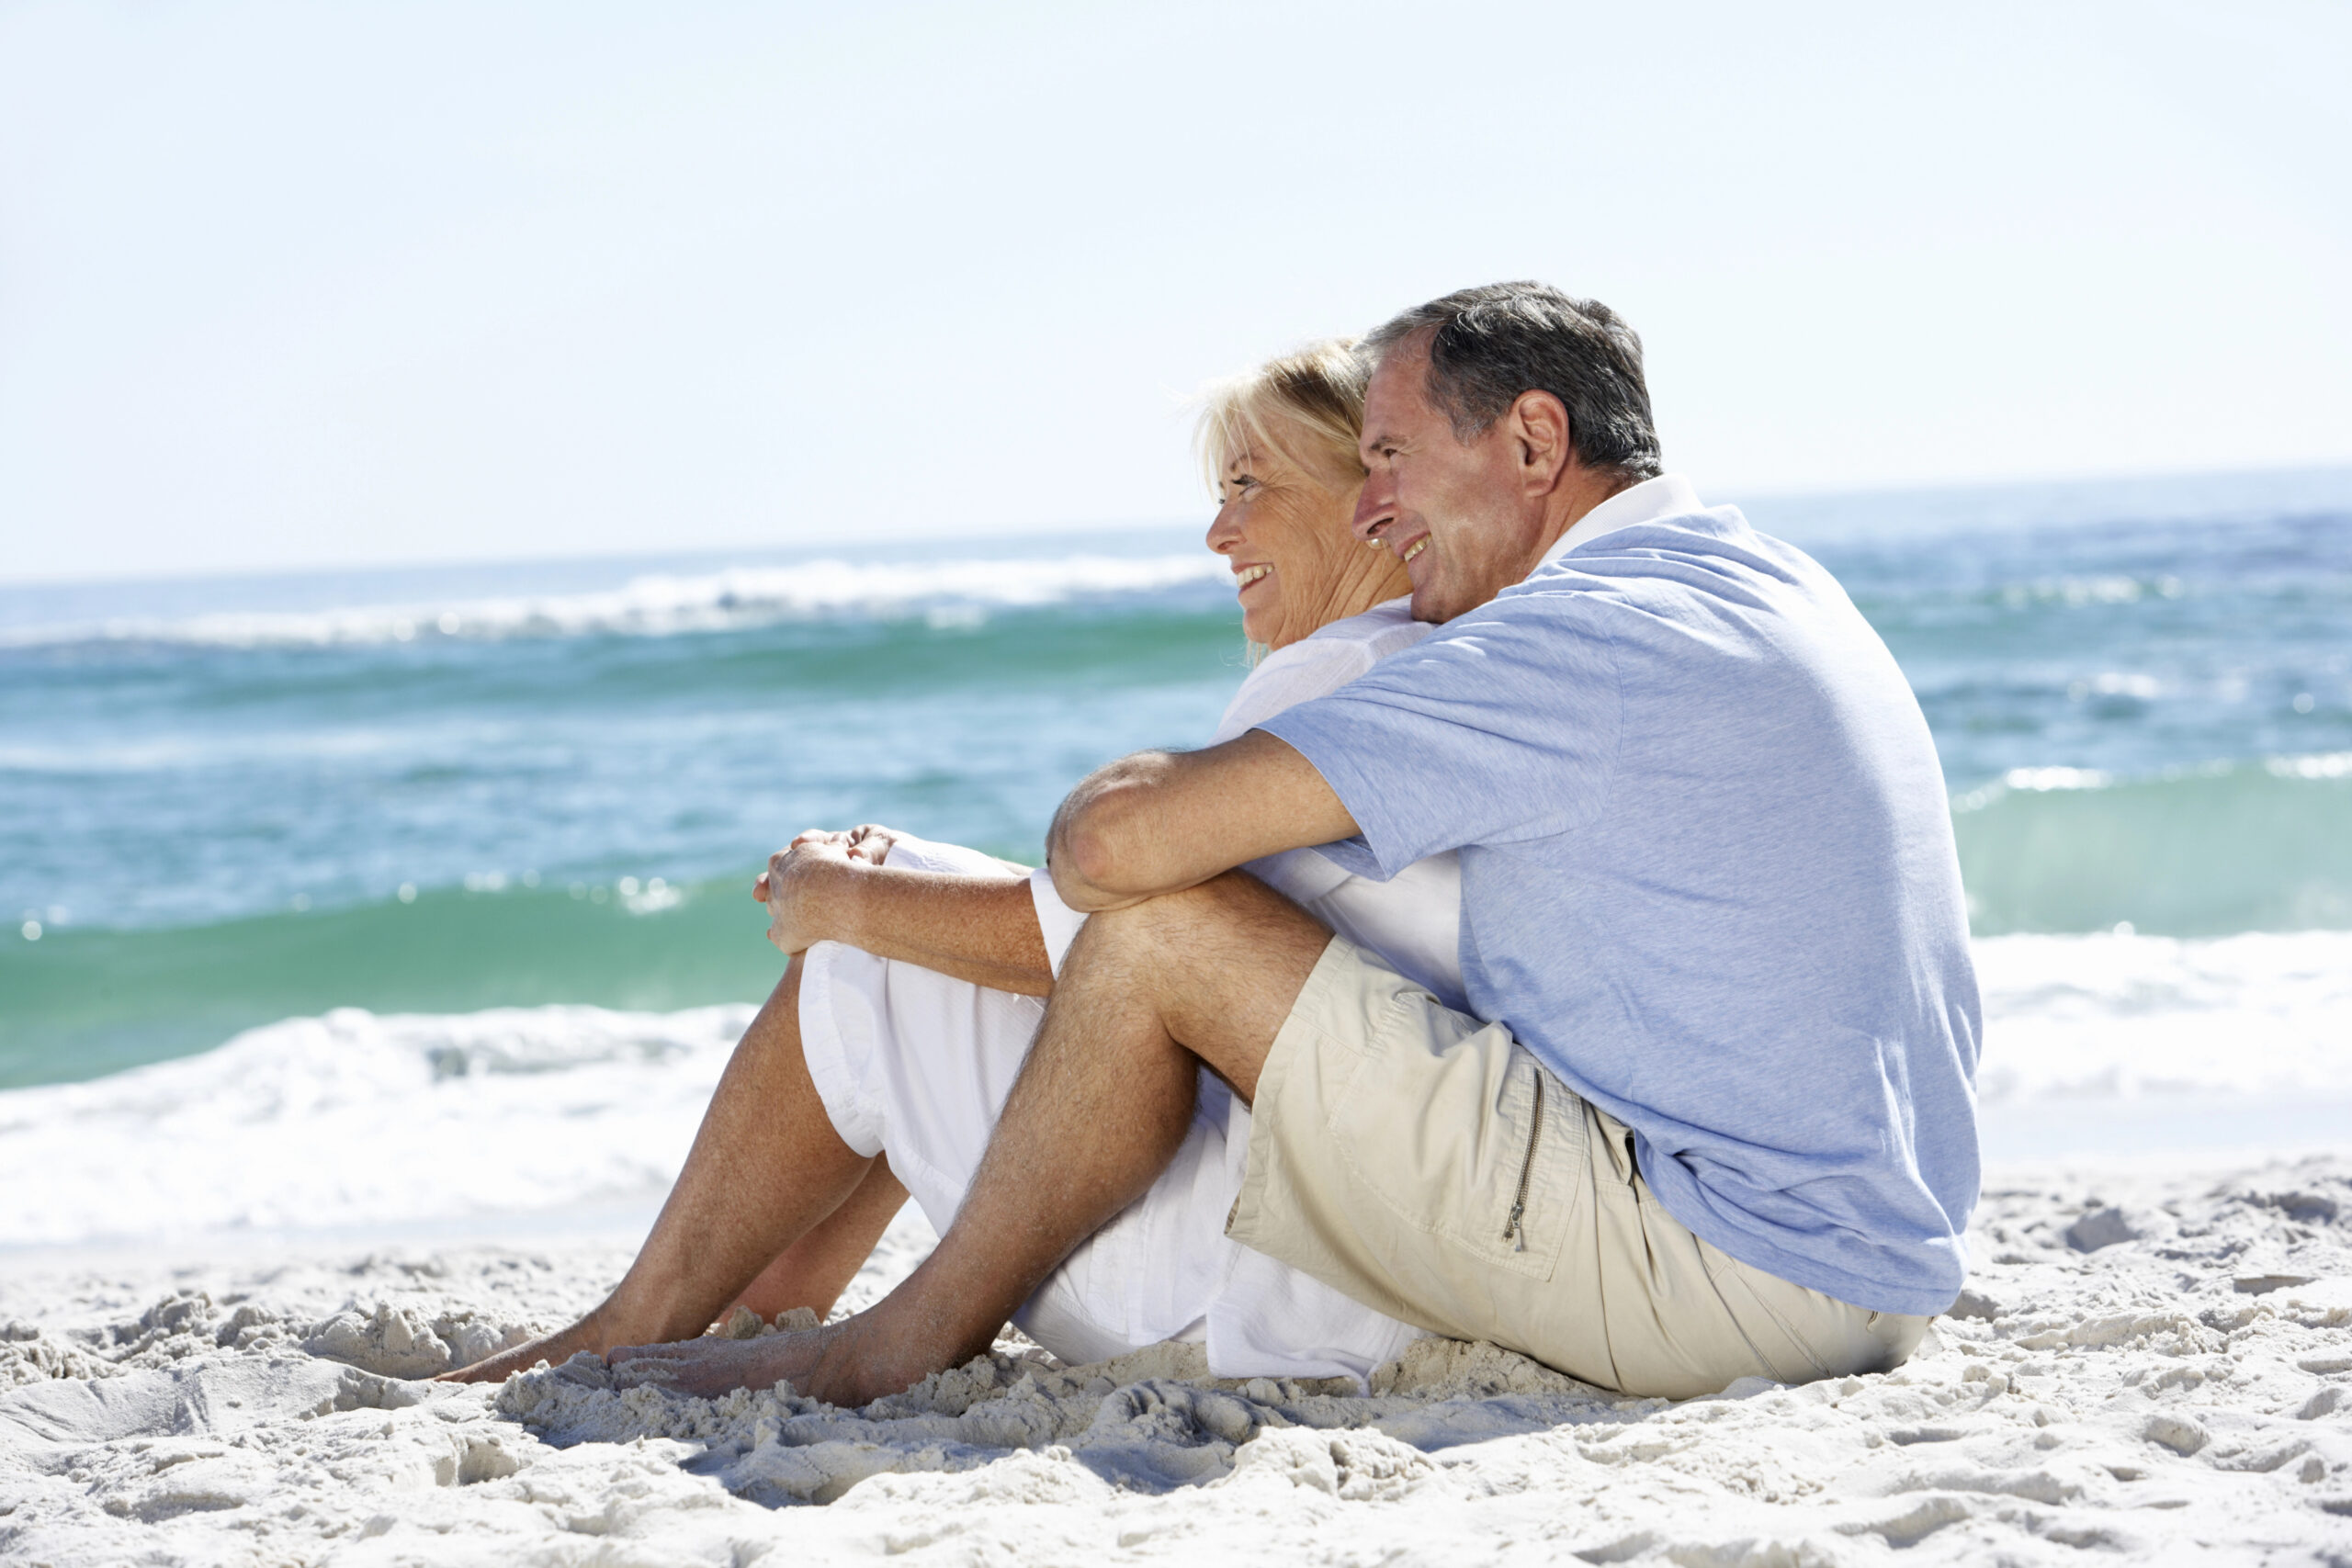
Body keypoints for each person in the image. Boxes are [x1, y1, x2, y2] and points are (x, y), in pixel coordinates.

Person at [595, 280, 1983, 1408]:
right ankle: (768, 1308)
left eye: (1391, 459)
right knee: (1001, 935)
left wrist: (952, 857)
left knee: (1144, 928)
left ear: (1537, 444)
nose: (1380, 503)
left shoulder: (1552, 646)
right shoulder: (1756, 578)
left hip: (1739, 1275)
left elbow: (1115, 855)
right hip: (1878, 1247)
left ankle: (891, 1339)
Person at [449, 339, 1467, 1388]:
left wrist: (843, 898)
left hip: (1220, 1283)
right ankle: (744, 1322)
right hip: (1330, 1270)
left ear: (1371, 492)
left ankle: (635, 1323)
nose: (1219, 532)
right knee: (906, 919)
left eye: (1252, 485)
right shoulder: (1425, 675)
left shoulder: (1339, 677)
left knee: (863, 959)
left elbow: (1126, 954)